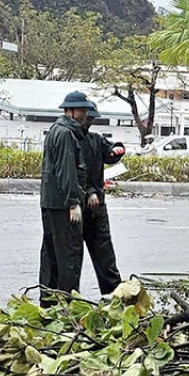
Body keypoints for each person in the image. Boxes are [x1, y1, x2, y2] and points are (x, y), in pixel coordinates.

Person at [38, 91, 92, 303]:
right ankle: (67, 301)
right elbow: (66, 170)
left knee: (51, 252)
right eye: (81, 110)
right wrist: (73, 202)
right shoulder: (66, 134)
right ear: (69, 111)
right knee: (68, 254)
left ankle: (48, 300)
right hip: (62, 204)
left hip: (51, 202)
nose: (84, 114)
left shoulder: (56, 130)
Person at [80, 106, 126, 296]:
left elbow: (108, 152)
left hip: (97, 204)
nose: (89, 121)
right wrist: (89, 192)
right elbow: (75, 170)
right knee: (71, 257)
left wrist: (117, 150)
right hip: (77, 203)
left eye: (91, 118)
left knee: (104, 250)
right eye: (87, 117)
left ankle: (114, 292)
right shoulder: (70, 140)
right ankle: (65, 296)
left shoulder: (94, 139)